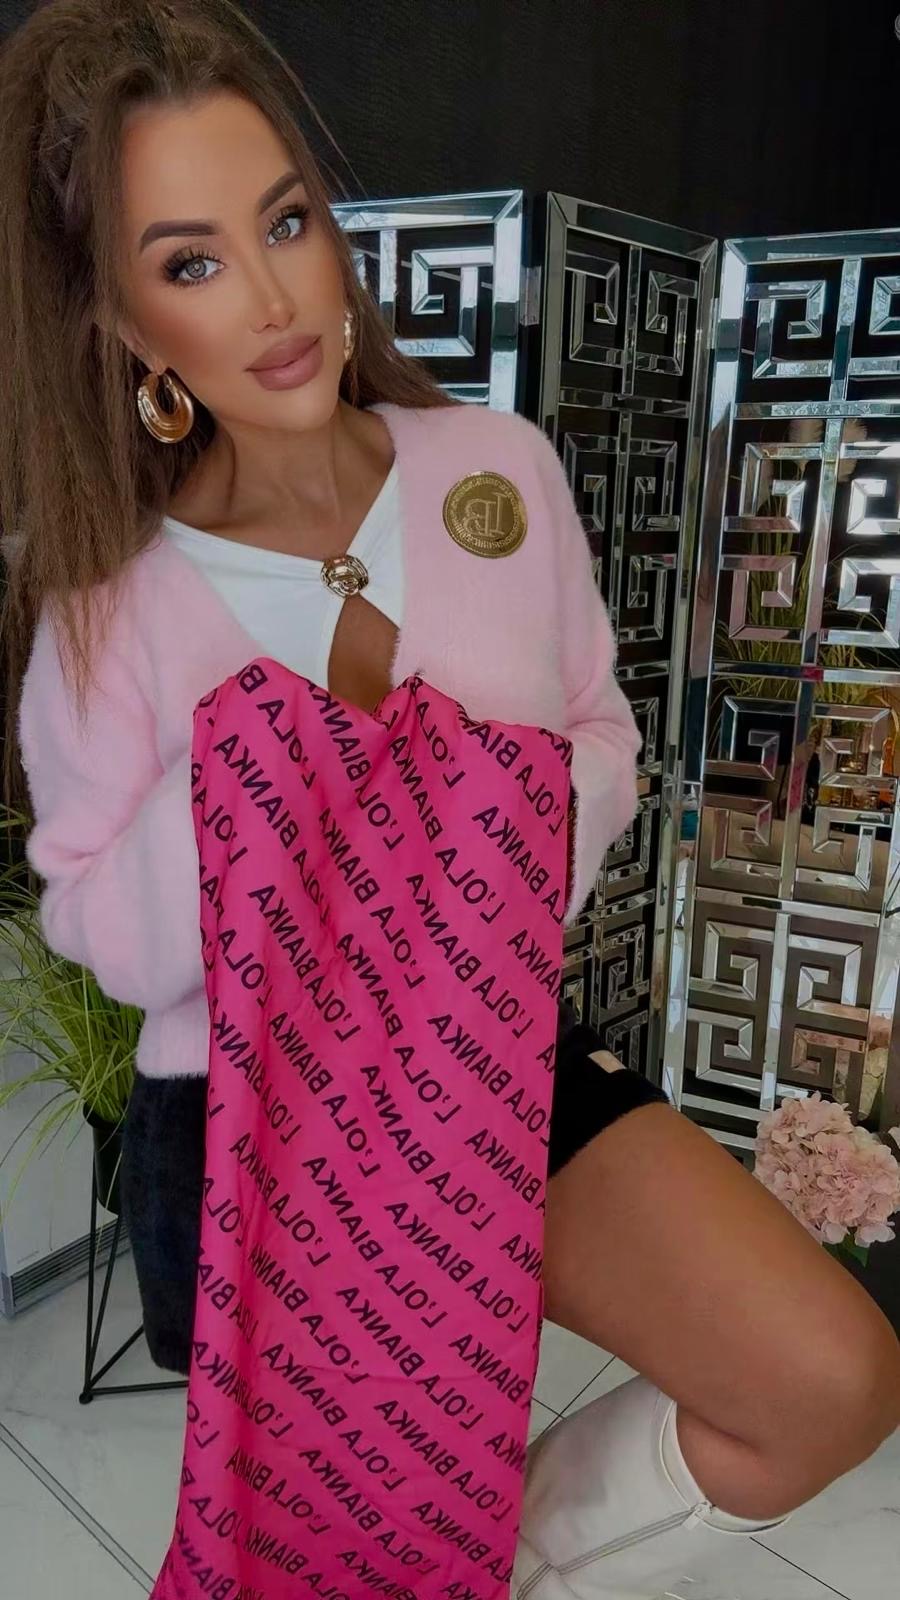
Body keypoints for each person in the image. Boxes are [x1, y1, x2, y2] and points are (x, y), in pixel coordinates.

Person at [1, 0, 897, 1584]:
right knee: (310, 1542)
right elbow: (100, 927)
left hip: (492, 1042)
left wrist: (465, 832)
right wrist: (266, 765)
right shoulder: (110, 611)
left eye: (287, 221)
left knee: (827, 1377)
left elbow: (597, 735)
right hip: (260, 1115)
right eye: (192, 263)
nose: (275, 298)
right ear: (130, 328)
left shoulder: (496, 471)